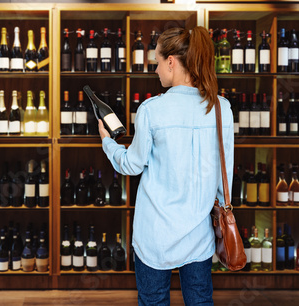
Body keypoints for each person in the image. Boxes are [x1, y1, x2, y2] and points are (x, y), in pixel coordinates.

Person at [98, 26, 234, 305]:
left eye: (158, 62)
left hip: (154, 236)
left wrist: (107, 143)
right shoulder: (221, 108)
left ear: (171, 62)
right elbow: (225, 177)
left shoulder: (151, 109)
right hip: (198, 236)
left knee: (153, 301)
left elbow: (132, 165)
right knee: (200, 302)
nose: (156, 70)